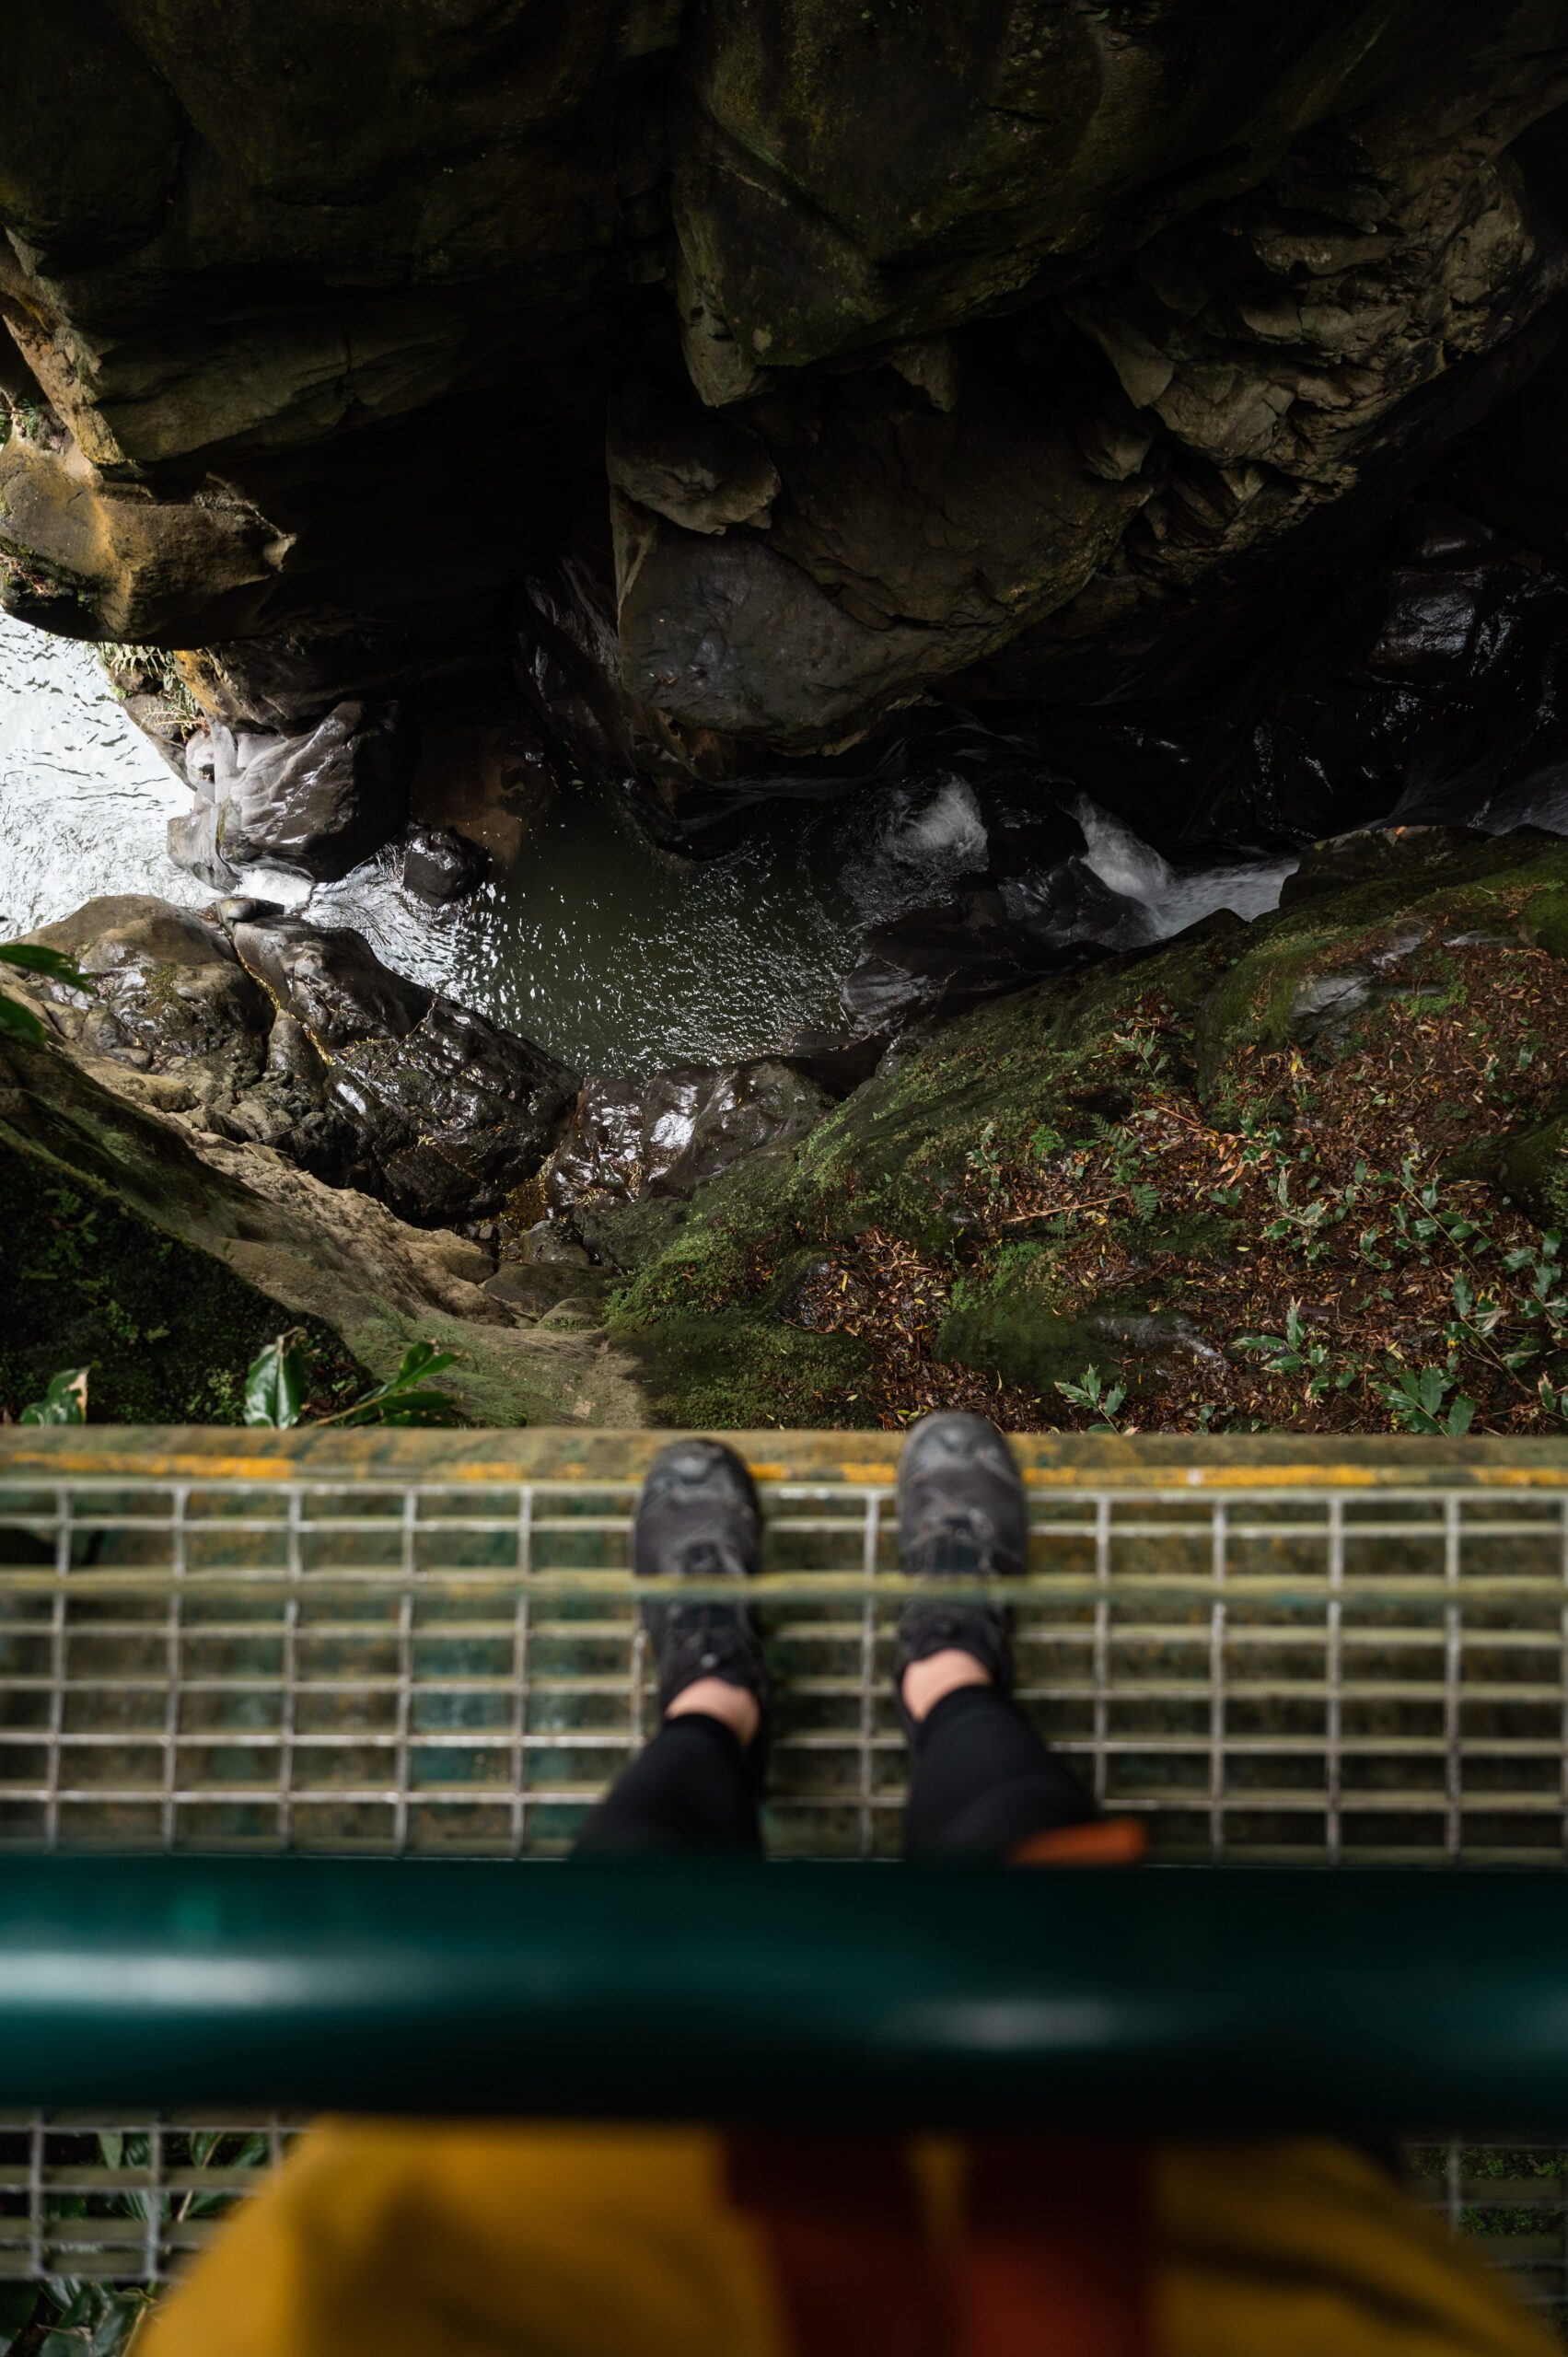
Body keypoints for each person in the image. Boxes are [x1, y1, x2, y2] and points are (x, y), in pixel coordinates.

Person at [145, 1417, 1553, 2357]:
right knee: (1038, 1906)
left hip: (526, 2260)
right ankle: (946, 1672)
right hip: (1172, 2257)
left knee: (626, 1937)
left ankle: (715, 1696)